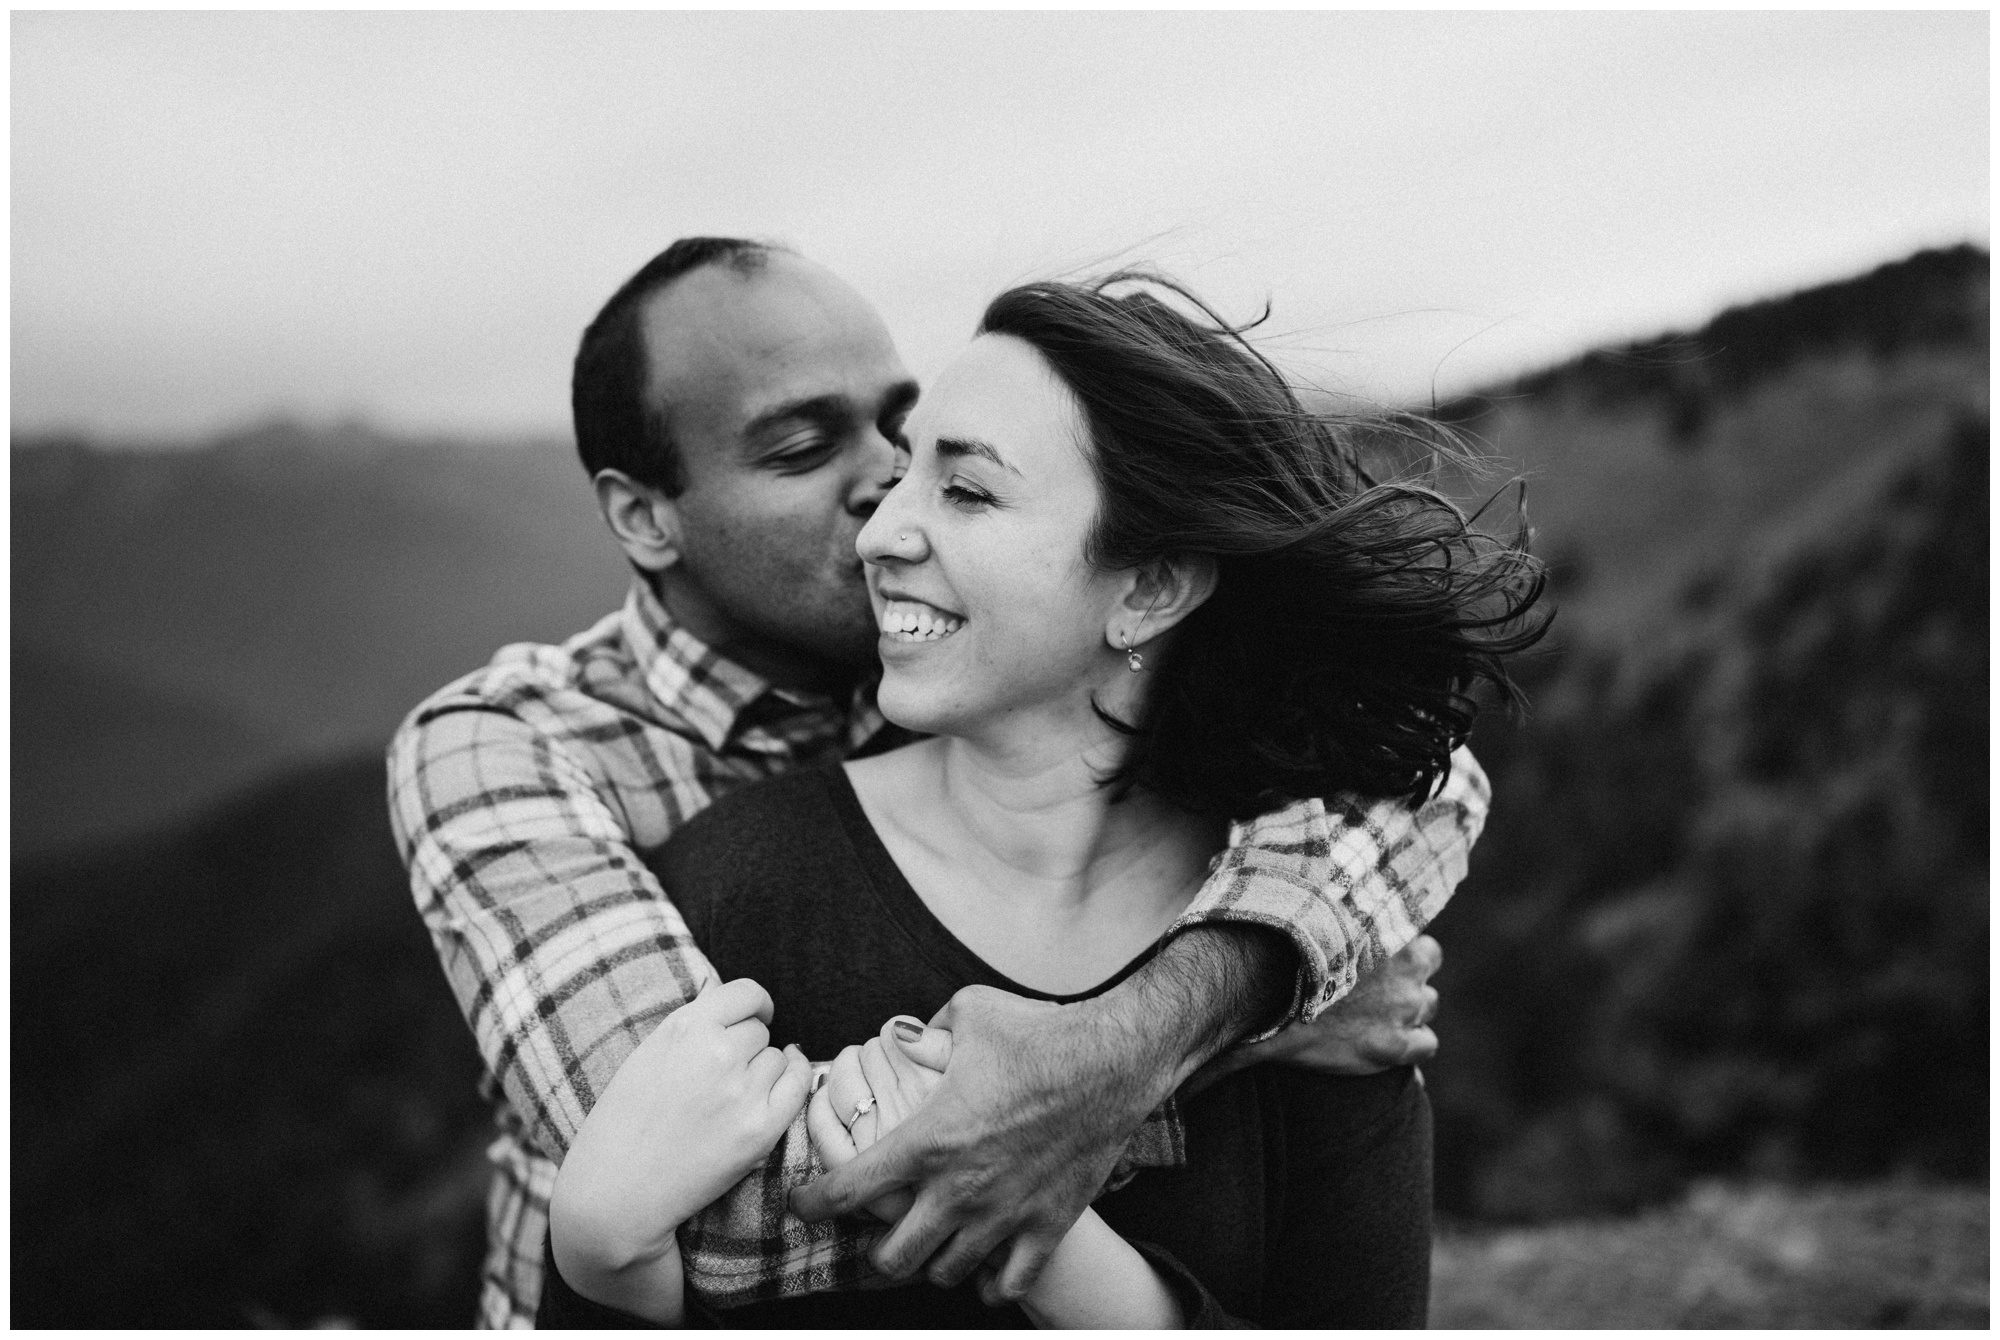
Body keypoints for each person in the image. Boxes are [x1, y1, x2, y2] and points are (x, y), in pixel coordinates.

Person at [388, 239, 1485, 1328]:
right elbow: (687, 1204)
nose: (877, 502)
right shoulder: (521, 751)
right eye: (804, 447)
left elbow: (1416, 783)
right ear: (643, 516)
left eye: (903, 438)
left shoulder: (982, 677)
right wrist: (1176, 1048)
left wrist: (1228, 981)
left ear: (1147, 587)